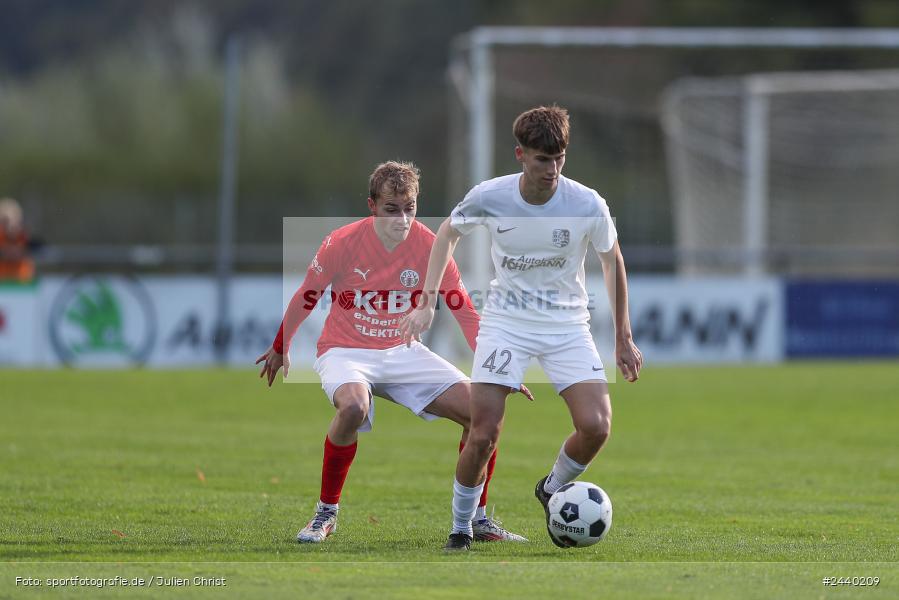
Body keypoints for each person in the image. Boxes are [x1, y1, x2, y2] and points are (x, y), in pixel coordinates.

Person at [399, 106, 643, 551]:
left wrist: (623, 336)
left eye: (559, 158)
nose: (552, 169)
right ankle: (461, 527)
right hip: (506, 324)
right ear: (520, 155)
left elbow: (612, 261)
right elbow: (447, 234)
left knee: (597, 426)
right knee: (483, 433)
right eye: (542, 159)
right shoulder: (490, 196)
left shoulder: (587, 203)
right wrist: (427, 300)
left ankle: (551, 488)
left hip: (567, 325)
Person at [256, 161, 530, 545]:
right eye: (391, 209)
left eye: (409, 208)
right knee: (354, 408)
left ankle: (478, 519)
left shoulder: (430, 246)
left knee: (482, 413)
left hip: (402, 351)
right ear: (372, 206)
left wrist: (497, 367)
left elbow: (464, 309)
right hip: (345, 351)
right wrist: (280, 345)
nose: (402, 219)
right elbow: (307, 294)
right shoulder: (341, 242)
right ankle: (325, 514)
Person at [0, 198, 36, 283]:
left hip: (22, 282)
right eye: (6, 221)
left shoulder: (25, 237)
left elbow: (39, 249)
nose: (11, 225)